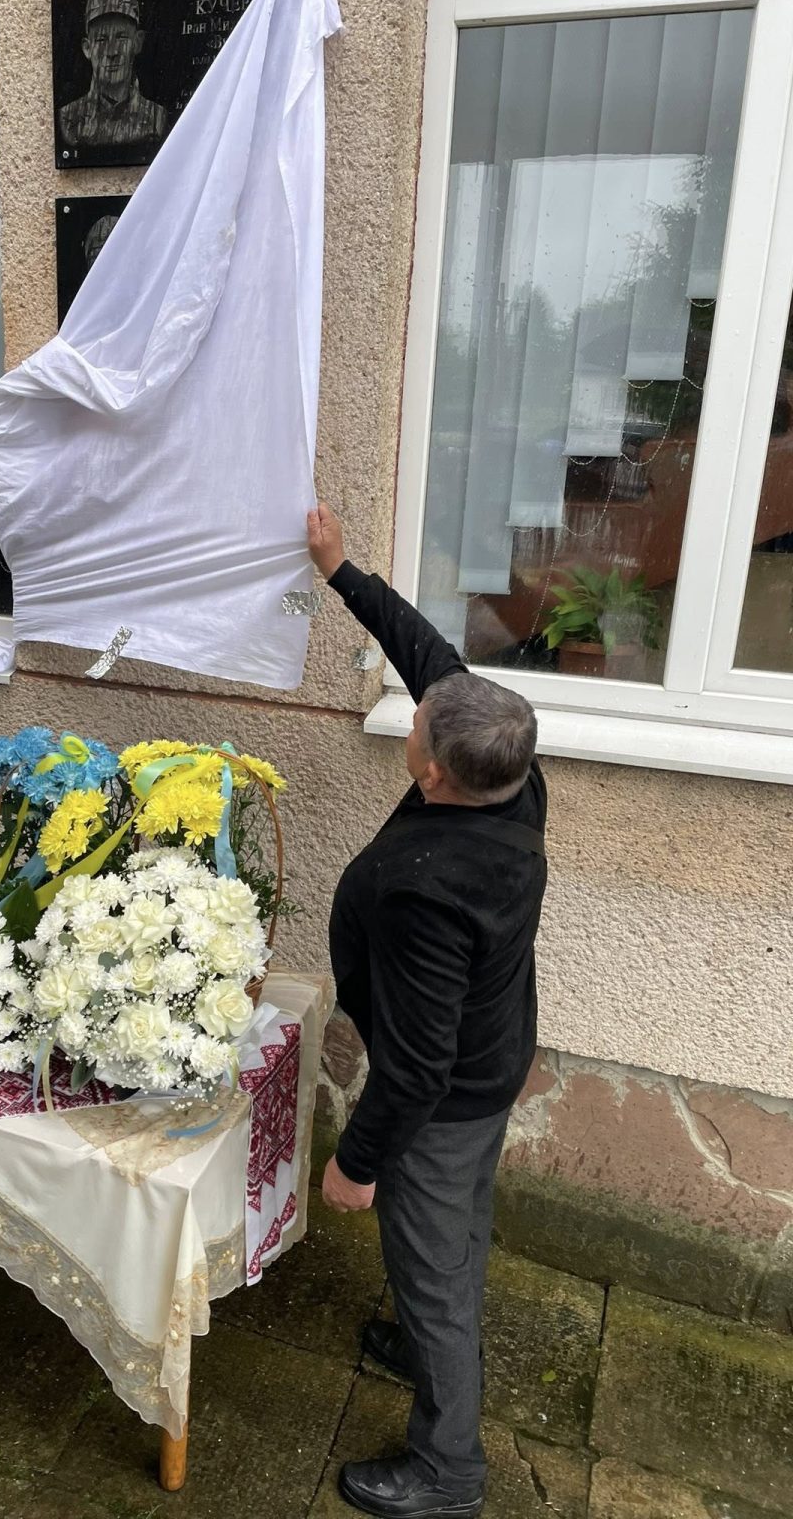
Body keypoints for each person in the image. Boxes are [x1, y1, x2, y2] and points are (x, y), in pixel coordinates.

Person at [307, 503, 548, 1519]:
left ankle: (449, 1473)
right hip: (496, 1058)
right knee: (459, 1230)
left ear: (437, 770)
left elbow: (414, 1064)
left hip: (443, 1097)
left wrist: (357, 1162)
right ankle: (423, 1333)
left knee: (433, 1257)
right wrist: (342, 573)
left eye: (417, 727)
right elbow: (431, 660)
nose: (412, 716)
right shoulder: (512, 778)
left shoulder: (426, 893)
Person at [59, 0, 166, 152]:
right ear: (87, 48)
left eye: (121, 37)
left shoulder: (157, 118)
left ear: (137, 42)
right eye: (101, 40)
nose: (112, 52)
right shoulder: (68, 119)